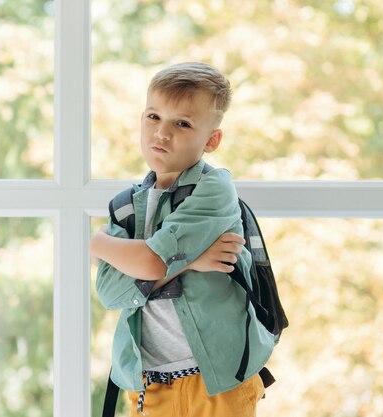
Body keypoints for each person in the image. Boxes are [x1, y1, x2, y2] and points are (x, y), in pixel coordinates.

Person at [90, 62, 275, 417]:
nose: (161, 133)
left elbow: (150, 263)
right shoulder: (128, 205)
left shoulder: (214, 188)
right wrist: (191, 260)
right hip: (150, 384)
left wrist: (97, 244)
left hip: (217, 379)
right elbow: (111, 293)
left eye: (183, 123)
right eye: (153, 117)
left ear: (212, 140)